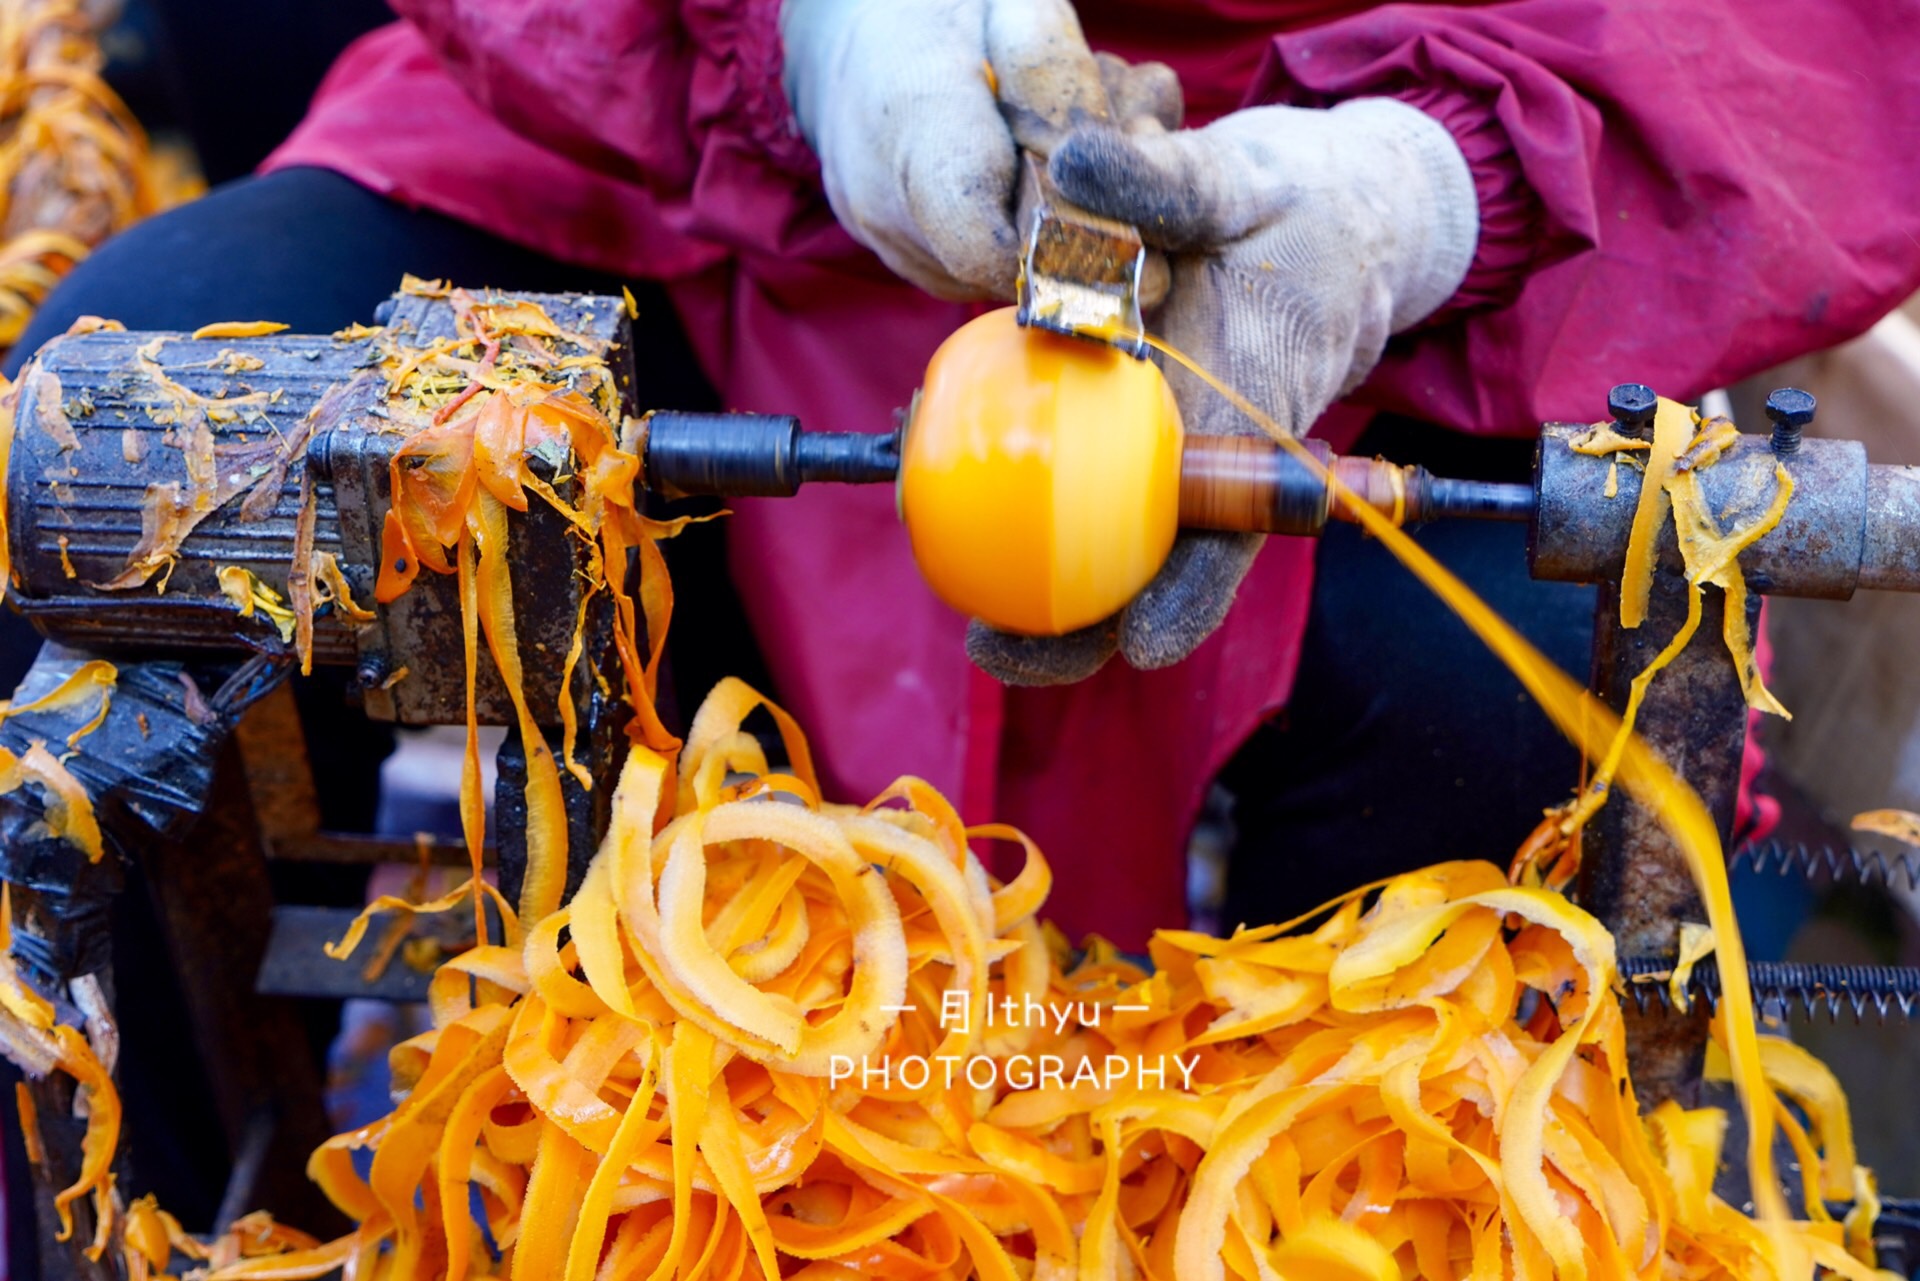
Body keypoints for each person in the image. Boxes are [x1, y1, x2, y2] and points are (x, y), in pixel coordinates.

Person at [12, 0, 1920, 955]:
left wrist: (1439, 187)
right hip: (639, 131)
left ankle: (1307, 1162)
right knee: (128, 461)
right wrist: (816, 40)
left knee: (1528, 709)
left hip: (1354, 199)